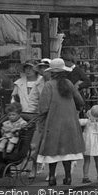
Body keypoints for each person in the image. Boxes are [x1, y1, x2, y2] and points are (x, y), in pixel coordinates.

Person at [37, 58, 85, 186]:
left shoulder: (48, 85)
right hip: (69, 122)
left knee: (52, 151)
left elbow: (43, 108)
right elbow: (80, 101)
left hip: (54, 121)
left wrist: (40, 122)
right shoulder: (69, 83)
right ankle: (68, 177)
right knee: (67, 152)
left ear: (51, 72)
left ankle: (52, 177)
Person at [79, 105, 98, 183]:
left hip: (87, 143)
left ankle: (85, 177)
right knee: (97, 159)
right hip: (97, 145)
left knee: (86, 160)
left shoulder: (87, 122)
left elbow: (77, 122)